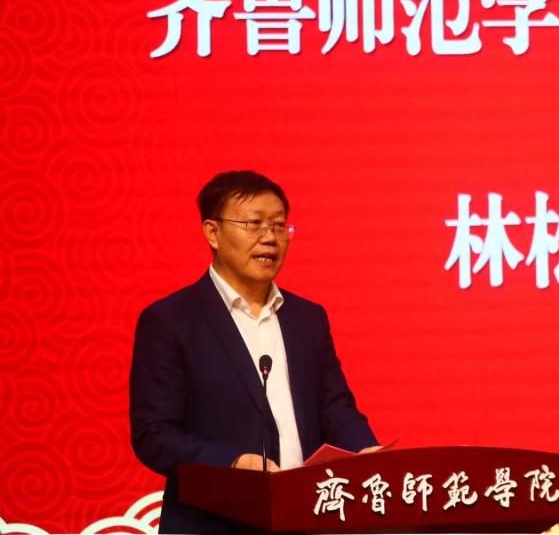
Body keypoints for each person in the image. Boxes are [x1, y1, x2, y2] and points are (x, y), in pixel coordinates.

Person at [129, 171, 378, 534]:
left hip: (304, 519)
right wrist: (232, 463)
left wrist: (366, 452)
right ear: (212, 232)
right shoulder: (171, 320)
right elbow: (154, 435)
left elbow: (335, 407)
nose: (269, 237)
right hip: (213, 523)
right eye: (253, 224)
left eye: (278, 225)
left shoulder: (307, 318)